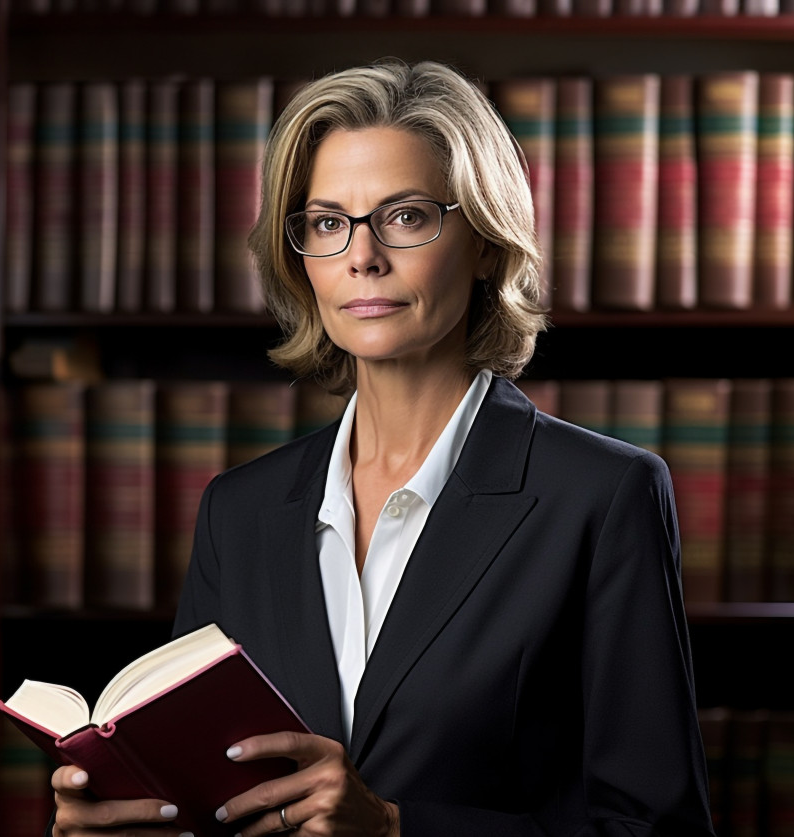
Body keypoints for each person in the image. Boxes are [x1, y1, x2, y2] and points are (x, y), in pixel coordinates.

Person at [48, 58, 714, 836]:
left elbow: (659, 828)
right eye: (329, 223)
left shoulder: (602, 496)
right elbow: (211, 798)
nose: (362, 255)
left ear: (488, 244)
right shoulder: (240, 511)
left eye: (403, 216)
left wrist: (397, 828)